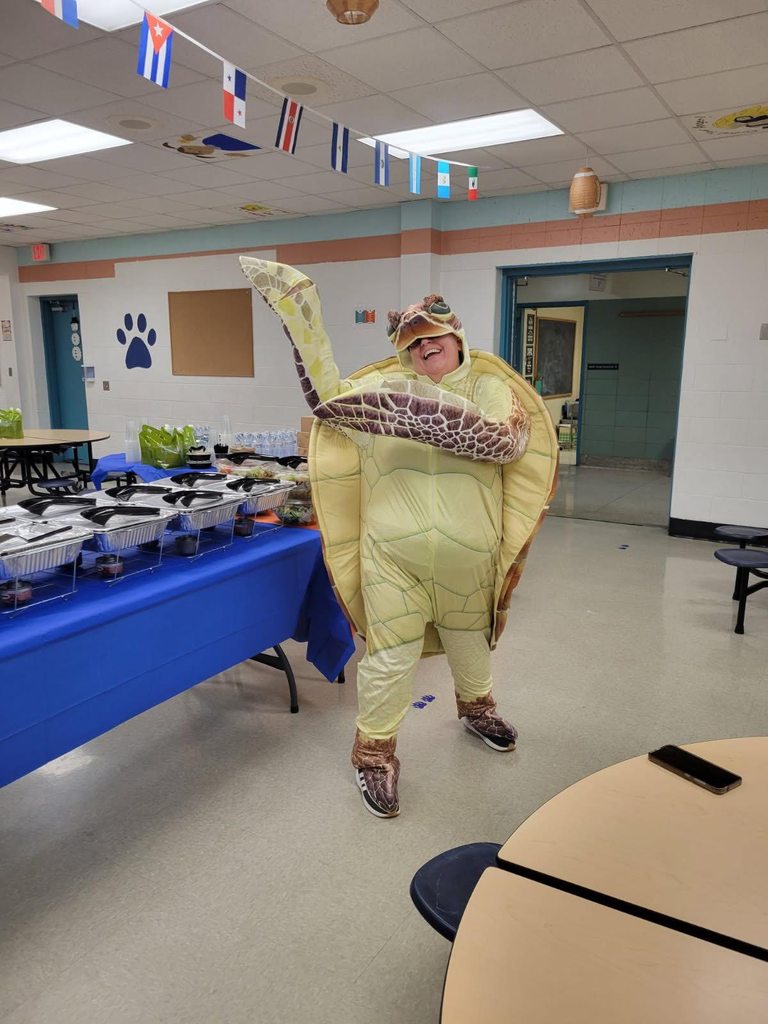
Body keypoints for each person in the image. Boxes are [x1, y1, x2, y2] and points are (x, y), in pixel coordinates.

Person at [240, 258, 558, 818]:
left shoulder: (491, 386)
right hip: (393, 557)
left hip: (470, 555)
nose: (420, 346)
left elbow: (502, 442)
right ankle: (374, 754)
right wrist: (299, 312)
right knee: (389, 658)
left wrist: (395, 415)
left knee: (469, 639)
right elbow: (327, 403)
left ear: (455, 337)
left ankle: (477, 707)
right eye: (409, 343)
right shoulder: (380, 387)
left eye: (431, 334)